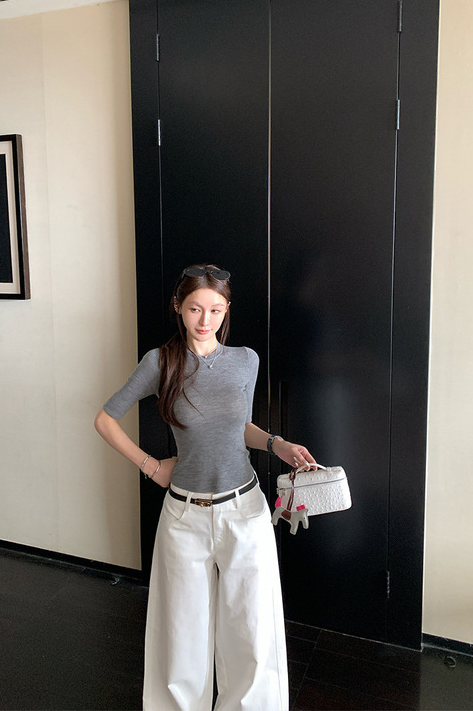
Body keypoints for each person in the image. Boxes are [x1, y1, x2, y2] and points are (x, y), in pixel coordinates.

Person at [94, 264, 317, 711]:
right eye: (195, 308)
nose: (205, 320)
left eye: (215, 309)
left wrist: (277, 443)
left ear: (226, 309)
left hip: (244, 510)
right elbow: (105, 419)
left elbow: (239, 428)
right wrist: (151, 466)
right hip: (184, 516)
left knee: (251, 633)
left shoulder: (246, 360)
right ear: (178, 307)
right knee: (182, 635)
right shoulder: (160, 363)